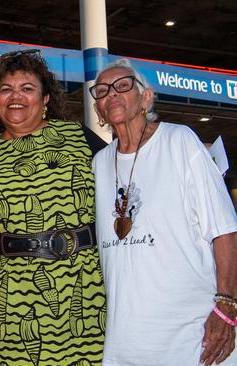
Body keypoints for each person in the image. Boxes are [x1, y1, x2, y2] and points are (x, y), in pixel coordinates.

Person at [90, 58, 237, 366]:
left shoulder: (178, 141)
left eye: (123, 85)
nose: (112, 94)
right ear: (99, 109)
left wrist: (227, 305)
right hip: (126, 341)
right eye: (102, 90)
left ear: (146, 98)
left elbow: (224, 228)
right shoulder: (99, 163)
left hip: (193, 335)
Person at [0, 49, 107, 365]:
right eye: (6, 89)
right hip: (10, 294)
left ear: (45, 99)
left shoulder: (77, 137)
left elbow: (126, 178)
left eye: (27, 88)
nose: (16, 97)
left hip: (81, 287)